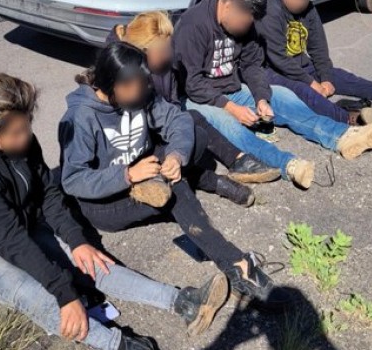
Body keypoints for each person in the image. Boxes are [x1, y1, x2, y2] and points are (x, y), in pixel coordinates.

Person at [0, 73, 232, 350]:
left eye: (27, 125)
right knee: (37, 294)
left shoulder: (20, 140)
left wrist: (77, 242)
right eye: (19, 132)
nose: (29, 135)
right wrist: (64, 294)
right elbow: (13, 245)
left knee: (91, 260)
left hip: (22, 227)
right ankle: (126, 349)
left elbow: (48, 193)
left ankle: (183, 301)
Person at [58, 43, 290, 312]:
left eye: (145, 83)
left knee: (194, 140)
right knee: (176, 190)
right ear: (113, 85)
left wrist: (176, 156)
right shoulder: (80, 117)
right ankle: (236, 264)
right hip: (107, 201)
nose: (144, 90)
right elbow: (74, 180)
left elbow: (178, 120)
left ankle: (201, 184)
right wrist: (128, 175)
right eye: (136, 86)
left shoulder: (140, 91)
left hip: (146, 171)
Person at [173, 0, 372, 188]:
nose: (246, 28)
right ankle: (287, 164)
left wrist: (261, 98)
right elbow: (192, 83)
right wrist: (231, 108)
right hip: (196, 98)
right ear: (228, 6)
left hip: (230, 88)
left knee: (281, 95)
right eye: (244, 23)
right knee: (227, 124)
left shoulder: (247, 23)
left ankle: (343, 136)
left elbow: (252, 66)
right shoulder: (194, 25)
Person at [110, 11, 280, 207]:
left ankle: (238, 161)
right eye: (164, 50)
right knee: (191, 141)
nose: (170, 54)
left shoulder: (164, 68)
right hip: (137, 143)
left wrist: (173, 128)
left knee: (193, 121)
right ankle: (214, 181)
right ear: (145, 51)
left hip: (161, 128)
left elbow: (173, 104)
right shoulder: (122, 73)